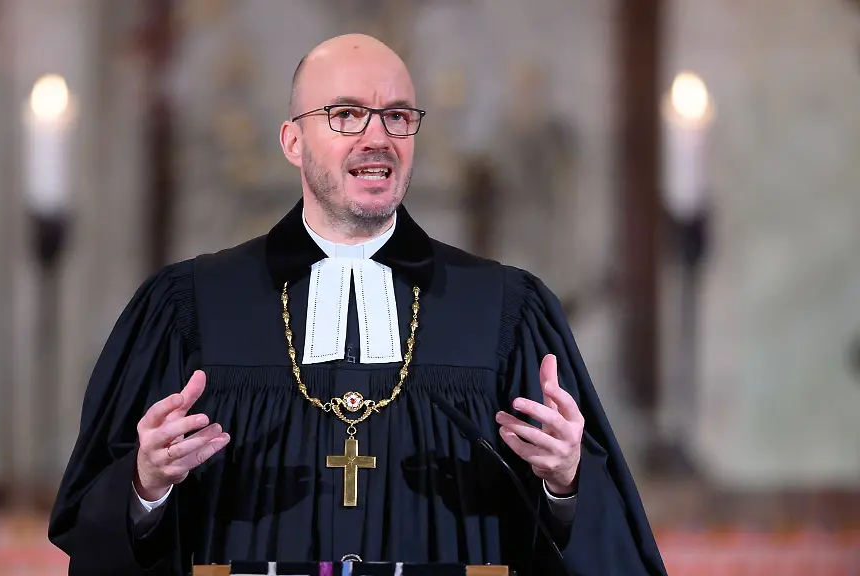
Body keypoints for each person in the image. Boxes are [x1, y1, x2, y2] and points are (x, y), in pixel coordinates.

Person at [48, 34, 667, 576]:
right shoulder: (190, 308)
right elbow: (94, 528)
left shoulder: (505, 310)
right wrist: (145, 486)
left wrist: (566, 483)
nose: (378, 138)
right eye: (346, 115)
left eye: (398, 117)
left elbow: (606, 537)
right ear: (293, 141)